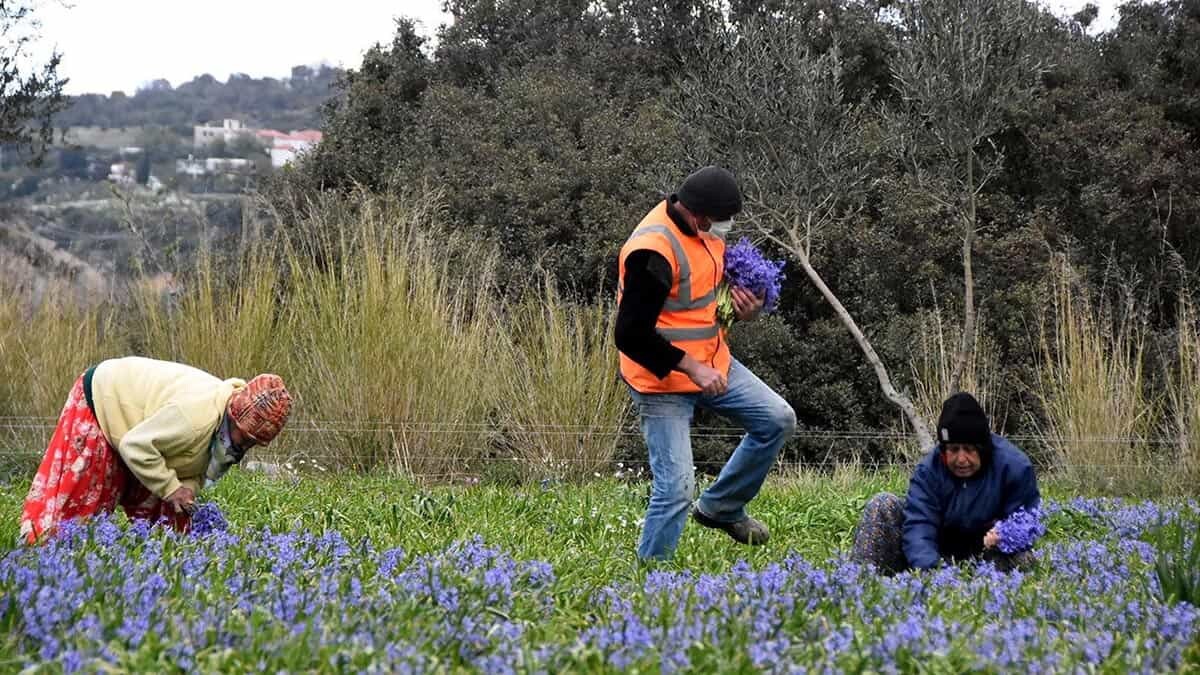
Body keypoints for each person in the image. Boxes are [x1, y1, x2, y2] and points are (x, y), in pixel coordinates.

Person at [615, 165, 796, 561]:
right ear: (700, 216)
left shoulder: (703, 234)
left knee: (777, 419)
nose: (726, 229)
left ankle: (721, 507)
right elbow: (629, 336)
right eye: (722, 221)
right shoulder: (652, 253)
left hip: (714, 364)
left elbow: (700, 301)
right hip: (660, 381)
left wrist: (745, 310)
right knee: (677, 488)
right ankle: (650, 579)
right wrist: (692, 368)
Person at [20, 356, 292, 542]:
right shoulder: (194, 419)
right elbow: (135, 446)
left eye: (253, 442)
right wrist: (171, 488)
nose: (245, 446)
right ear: (233, 415)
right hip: (102, 400)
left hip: (143, 431)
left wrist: (183, 491)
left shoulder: (224, 433)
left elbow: (193, 465)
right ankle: (40, 550)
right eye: (245, 438)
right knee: (83, 502)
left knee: (171, 521)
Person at [851, 392, 1041, 573]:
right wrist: (933, 573)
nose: (961, 459)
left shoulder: (1014, 467)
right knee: (882, 504)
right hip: (937, 552)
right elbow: (919, 526)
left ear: (983, 449)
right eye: (953, 449)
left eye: (968, 449)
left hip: (988, 554)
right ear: (943, 450)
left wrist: (1003, 536)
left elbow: (1027, 522)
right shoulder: (928, 471)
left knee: (1022, 558)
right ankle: (856, 583)